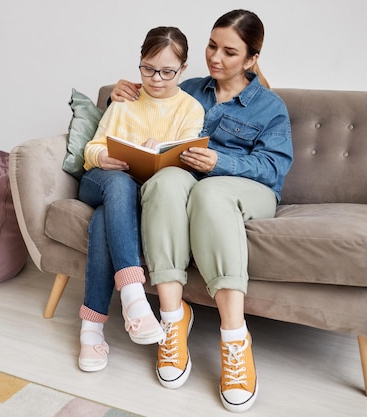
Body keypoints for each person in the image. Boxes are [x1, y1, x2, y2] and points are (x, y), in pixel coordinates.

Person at [110, 9, 293, 413]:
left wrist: (219, 163)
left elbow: (275, 168)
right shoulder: (188, 87)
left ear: (251, 59)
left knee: (211, 195)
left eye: (230, 52)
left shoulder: (269, 106)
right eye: (212, 45)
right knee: (163, 183)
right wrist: (118, 93)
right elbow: (146, 98)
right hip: (190, 180)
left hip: (249, 190)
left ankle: (234, 337)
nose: (216, 57)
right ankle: (172, 318)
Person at [77, 26, 205, 373]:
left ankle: (91, 331)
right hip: (100, 180)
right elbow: (93, 146)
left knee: (106, 218)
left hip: (139, 191)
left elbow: (184, 160)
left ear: (183, 68)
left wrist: (162, 152)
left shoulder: (190, 110)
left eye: (167, 71)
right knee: (117, 186)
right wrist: (102, 157)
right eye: (148, 68)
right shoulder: (126, 99)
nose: (156, 79)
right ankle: (134, 298)